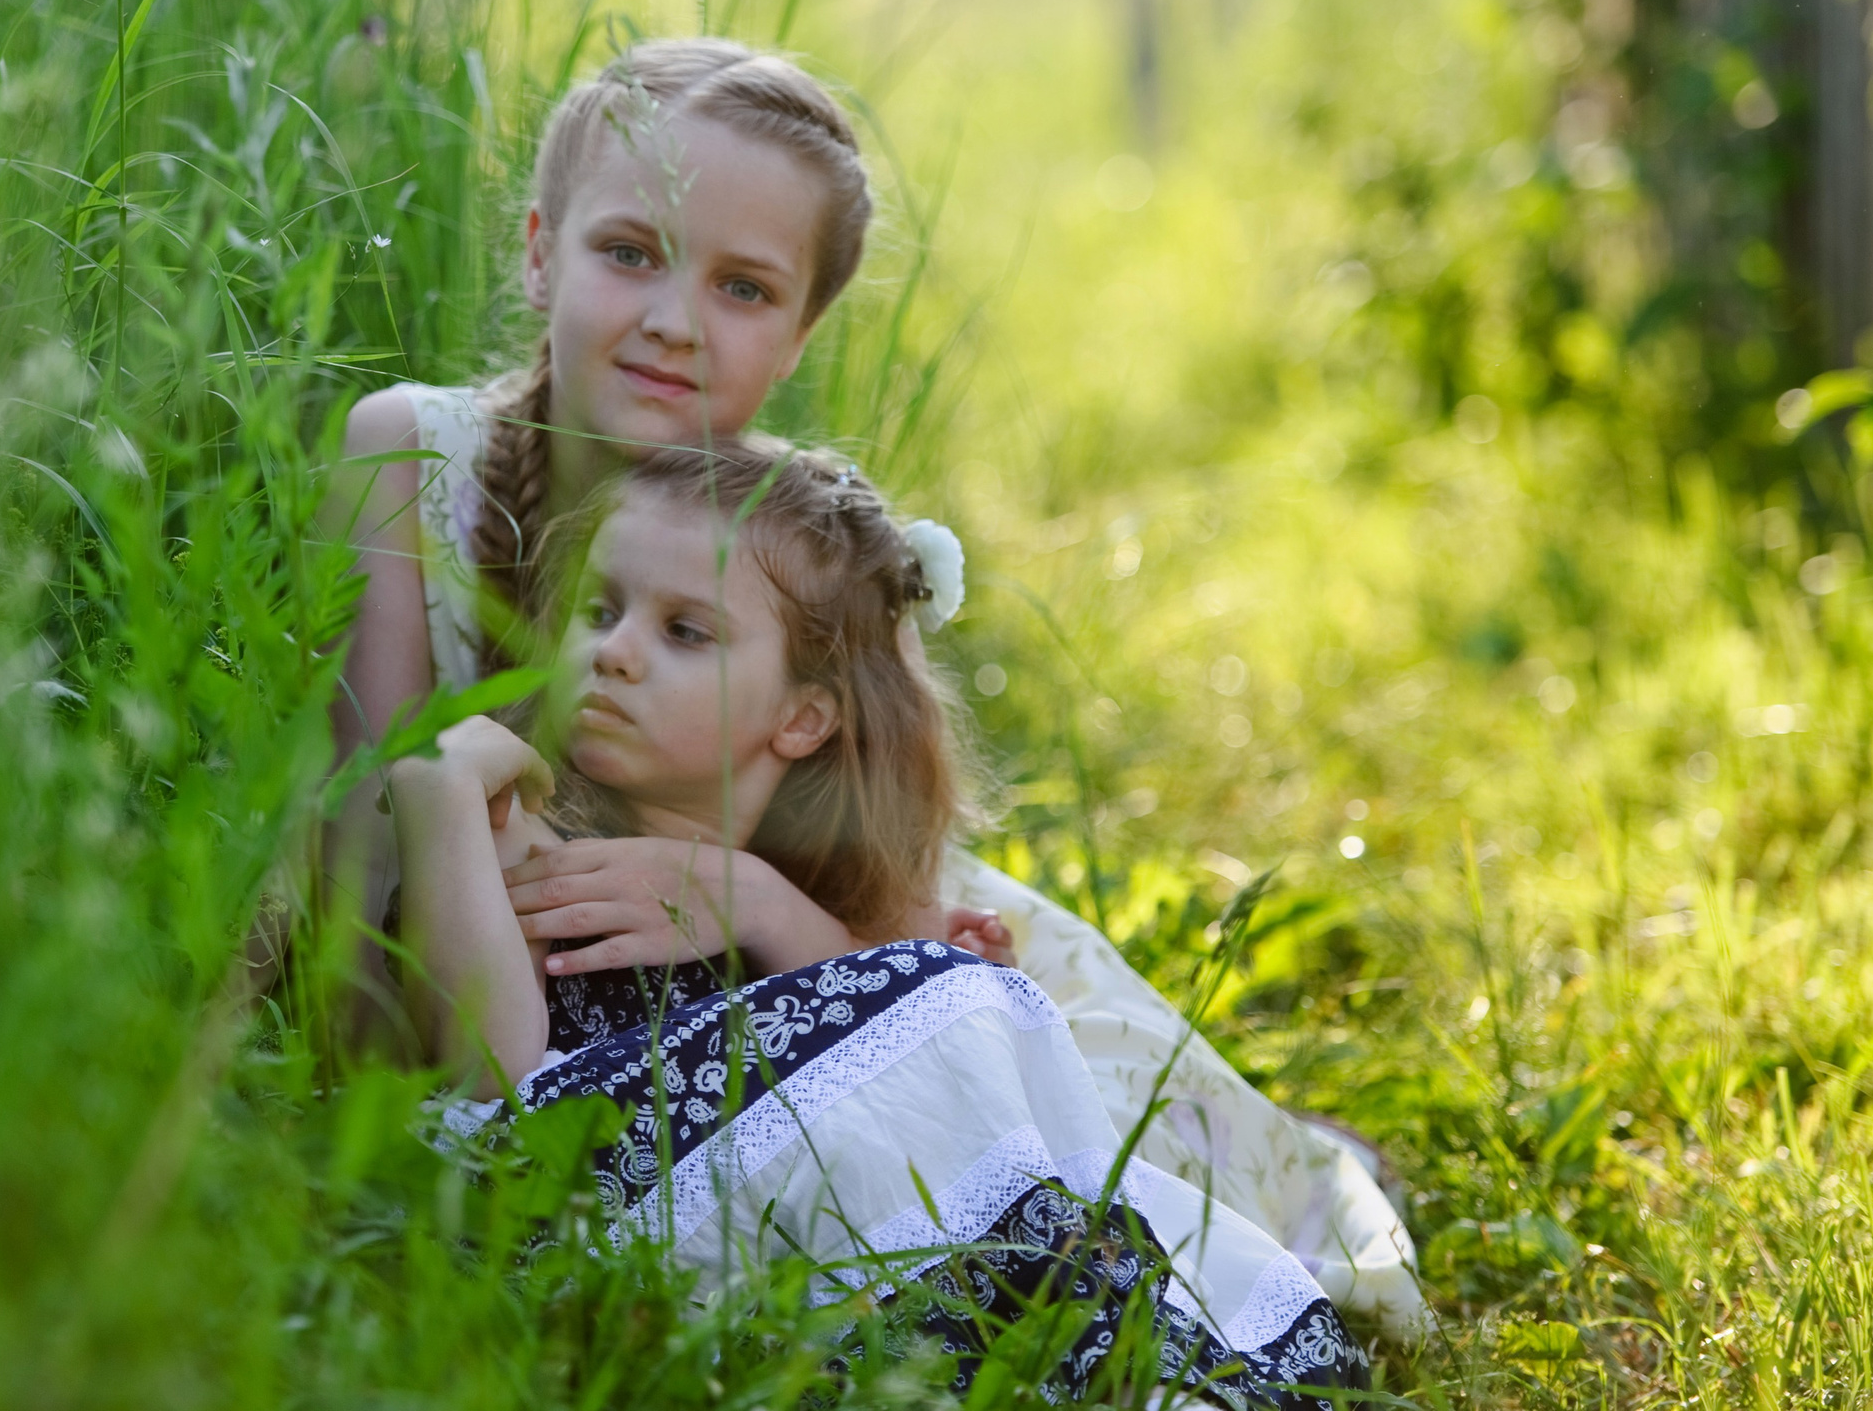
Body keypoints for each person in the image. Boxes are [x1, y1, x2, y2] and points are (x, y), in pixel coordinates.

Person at [323, 36, 1423, 1333]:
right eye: (629, 253)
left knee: (1092, 1163)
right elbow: (360, 838)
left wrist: (743, 895)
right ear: (535, 251)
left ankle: (1298, 1158)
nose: (675, 320)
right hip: (537, 1006)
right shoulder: (411, 454)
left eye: (743, 288)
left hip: (829, 947)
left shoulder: (798, 539)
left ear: (798, 336)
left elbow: (895, 938)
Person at [388, 441, 1368, 1403]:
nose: (612, 652)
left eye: (685, 632)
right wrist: (440, 793)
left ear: (802, 719)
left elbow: (899, 1089)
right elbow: (484, 1081)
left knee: (957, 1005)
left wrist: (764, 905)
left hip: (826, 1271)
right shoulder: (523, 830)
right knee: (943, 995)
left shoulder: (812, 889)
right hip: (617, 1227)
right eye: (600, 611)